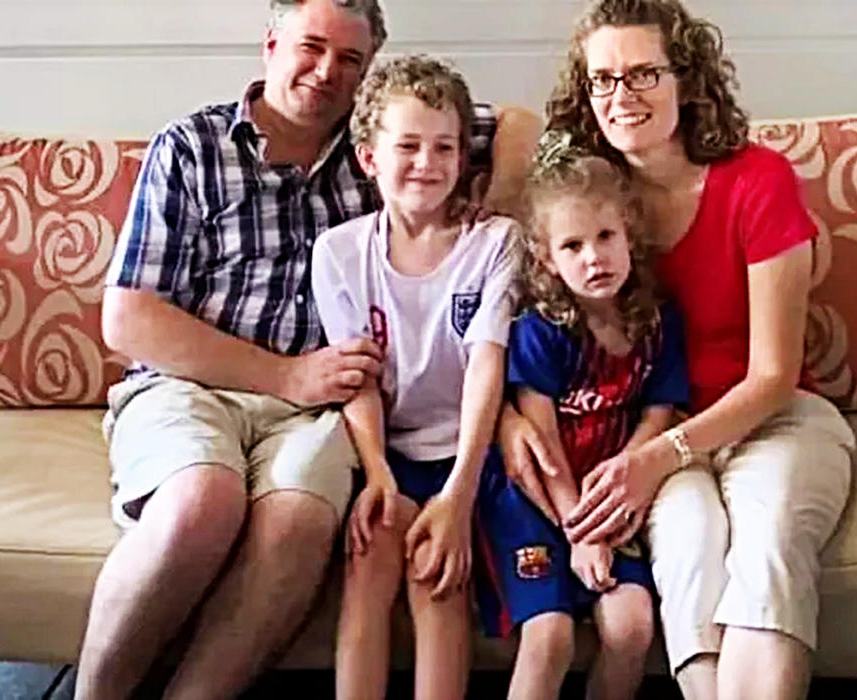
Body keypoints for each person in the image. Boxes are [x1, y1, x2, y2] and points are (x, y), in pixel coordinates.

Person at [74, 1, 539, 697]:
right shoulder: (193, 148)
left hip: (315, 410)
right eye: (311, 47)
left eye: (350, 59)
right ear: (271, 45)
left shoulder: (384, 135)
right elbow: (128, 319)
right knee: (202, 500)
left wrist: (492, 199)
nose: (326, 72)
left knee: (299, 520)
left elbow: (521, 124)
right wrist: (284, 374)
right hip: (190, 387)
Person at [497, 2, 856, 699]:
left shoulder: (757, 180)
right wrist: (509, 421)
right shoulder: (590, 201)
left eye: (643, 73)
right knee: (690, 555)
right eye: (603, 79)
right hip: (649, 433)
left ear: (686, 80)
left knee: (769, 544)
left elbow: (774, 375)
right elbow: (514, 314)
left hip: (773, 418)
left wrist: (659, 457)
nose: (621, 96)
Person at [310, 54, 518, 700]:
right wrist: (377, 472)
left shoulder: (496, 242)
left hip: (468, 456)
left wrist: (457, 497)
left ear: (463, 156)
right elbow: (358, 379)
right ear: (369, 158)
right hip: (388, 450)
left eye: (444, 147)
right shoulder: (338, 252)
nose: (426, 163)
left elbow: (487, 365)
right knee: (371, 550)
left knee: (437, 573)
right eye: (407, 146)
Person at [474, 137, 688, 700]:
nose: (594, 258)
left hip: (609, 499)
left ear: (628, 235)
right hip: (539, 502)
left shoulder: (658, 322)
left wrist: (626, 478)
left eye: (606, 237)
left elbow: (658, 414)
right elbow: (540, 441)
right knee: (550, 637)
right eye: (573, 245)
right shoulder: (540, 332)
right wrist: (581, 532)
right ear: (547, 258)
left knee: (632, 625)